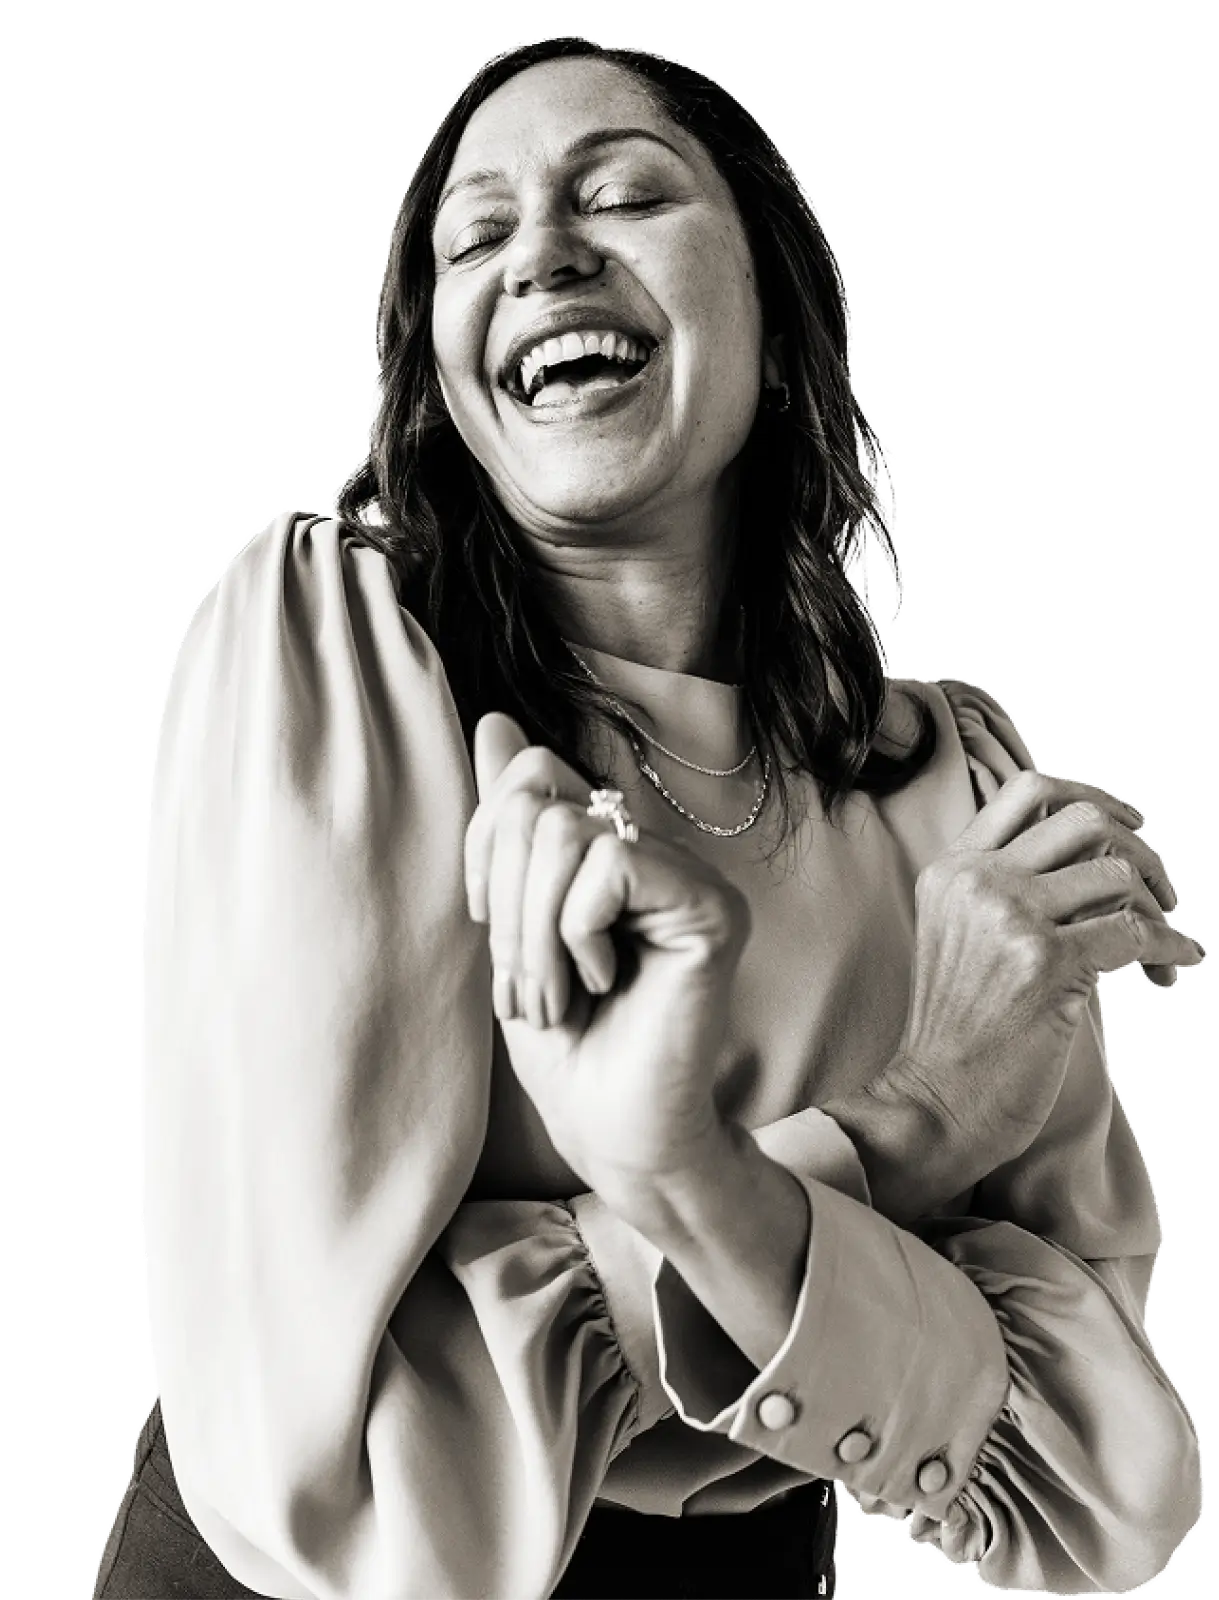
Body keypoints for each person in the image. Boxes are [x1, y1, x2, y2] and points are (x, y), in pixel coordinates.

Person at [104, 35, 1203, 1600]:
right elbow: (334, 1469)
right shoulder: (334, 661)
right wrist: (918, 1126)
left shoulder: (946, 788)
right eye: (473, 238)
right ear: (443, 375)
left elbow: (1096, 1475)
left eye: (620, 195)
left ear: (770, 296)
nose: (543, 253)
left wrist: (696, 1190)